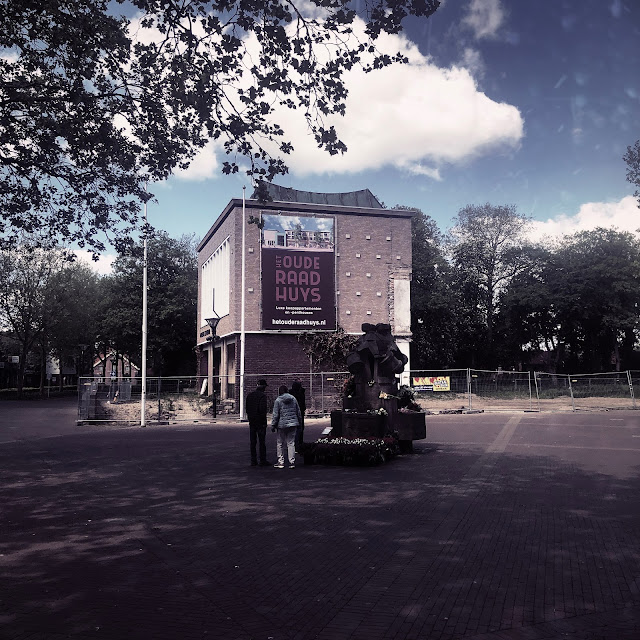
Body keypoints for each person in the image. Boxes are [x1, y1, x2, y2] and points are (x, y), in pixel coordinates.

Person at [271, 384, 301, 469]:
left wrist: (273, 425)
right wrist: (299, 422)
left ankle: (281, 462)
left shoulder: (278, 400)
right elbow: (298, 411)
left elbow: (275, 414)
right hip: (293, 423)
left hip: (282, 424)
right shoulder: (293, 399)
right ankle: (292, 462)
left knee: (280, 443)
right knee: (291, 443)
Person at [245, 379, 270, 467]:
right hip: (260, 421)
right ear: (263, 387)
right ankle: (262, 460)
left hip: (252, 420)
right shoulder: (262, 396)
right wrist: (264, 421)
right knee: (262, 441)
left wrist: (250, 417)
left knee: (253, 441)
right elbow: (262, 410)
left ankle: (253, 460)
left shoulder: (250, 395)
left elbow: (247, 408)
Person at [289, 379, 306, 451]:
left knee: (294, 429)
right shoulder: (300, 393)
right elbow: (302, 403)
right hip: (300, 412)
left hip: (292, 412)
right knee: (300, 428)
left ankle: (293, 444)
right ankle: (299, 443)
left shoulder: (291, 394)